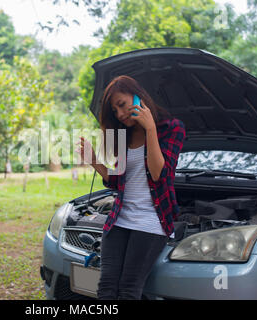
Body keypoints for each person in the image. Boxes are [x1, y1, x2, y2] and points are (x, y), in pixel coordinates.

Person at [75, 75, 186, 300]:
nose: (120, 114)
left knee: (129, 290)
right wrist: (94, 161)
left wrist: (151, 129)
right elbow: (118, 181)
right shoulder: (124, 135)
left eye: (122, 105)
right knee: (106, 288)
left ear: (138, 97)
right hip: (119, 219)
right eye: (115, 111)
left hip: (150, 221)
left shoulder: (172, 128)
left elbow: (159, 175)